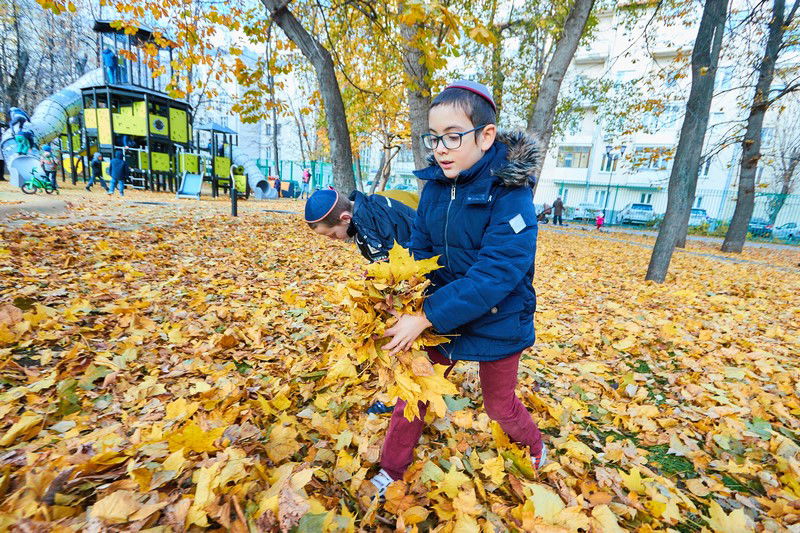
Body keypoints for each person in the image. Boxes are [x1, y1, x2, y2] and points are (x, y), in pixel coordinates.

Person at [358, 80, 545, 503]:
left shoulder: (512, 198)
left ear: (486, 136)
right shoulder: (435, 190)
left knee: (500, 406)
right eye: (434, 138)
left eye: (453, 137)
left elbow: (495, 275)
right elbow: (421, 252)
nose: (441, 148)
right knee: (415, 392)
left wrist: (426, 316)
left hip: (497, 318)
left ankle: (534, 446)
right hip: (441, 316)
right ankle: (392, 467)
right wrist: (405, 298)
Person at [305, 188, 416, 263]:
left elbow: (392, 265)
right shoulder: (366, 211)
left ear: (345, 218)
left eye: (332, 234)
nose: (333, 239)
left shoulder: (372, 223)